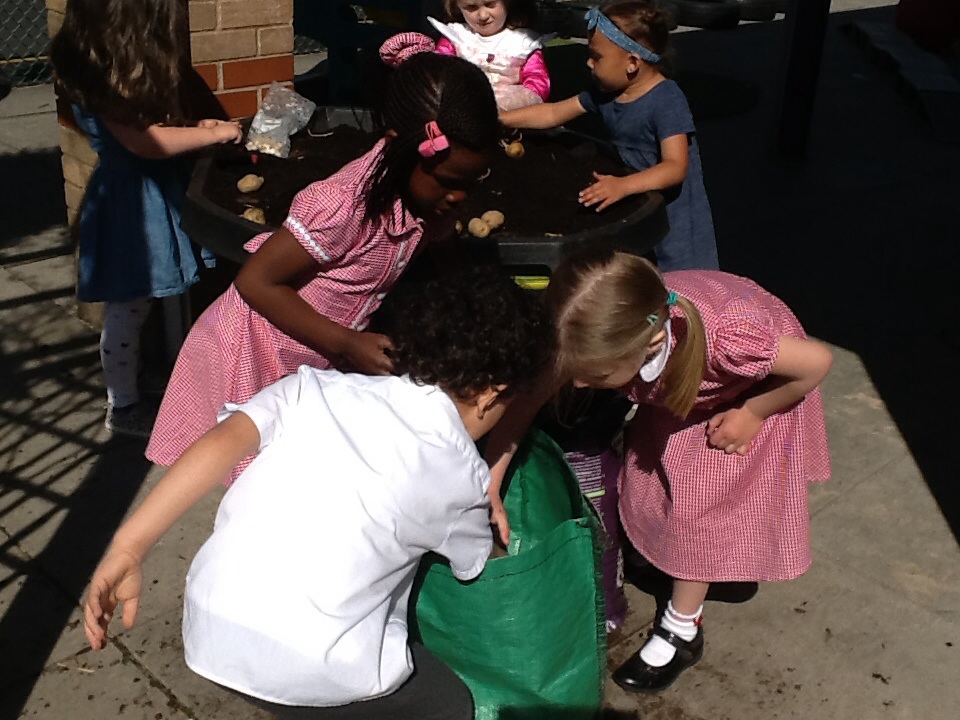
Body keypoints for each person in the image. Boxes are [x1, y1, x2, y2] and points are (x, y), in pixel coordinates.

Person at [83, 265, 555, 719]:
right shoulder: (459, 474)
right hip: (321, 663)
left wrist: (129, 547)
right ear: (494, 394)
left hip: (212, 628)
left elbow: (216, 448)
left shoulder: (313, 388)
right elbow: (477, 564)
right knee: (448, 704)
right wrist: (499, 540)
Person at [485, 247, 831, 693]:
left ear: (649, 345)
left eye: (595, 375)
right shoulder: (612, 327)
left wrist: (754, 412)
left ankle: (682, 628)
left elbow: (817, 362)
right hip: (687, 389)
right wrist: (491, 483)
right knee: (650, 480)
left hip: (752, 392)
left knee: (696, 511)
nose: (577, 385)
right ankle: (670, 561)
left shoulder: (730, 339)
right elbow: (528, 400)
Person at [146, 47, 500, 478]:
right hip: (259, 347)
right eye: (449, 182)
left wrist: (474, 305)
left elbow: (444, 251)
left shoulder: (430, 201)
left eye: (472, 182)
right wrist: (346, 344)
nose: (459, 198)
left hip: (315, 351)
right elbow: (255, 282)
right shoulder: (344, 205)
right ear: (396, 147)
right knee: (259, 476)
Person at [49, 0, 243, 437]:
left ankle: (133, 377)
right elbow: (146, 142)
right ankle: (122, 404)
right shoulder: (100, 75)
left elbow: (153, 127)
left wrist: (193, 124)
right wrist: (214, 134)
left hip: (145, 191)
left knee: (142, 302)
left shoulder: (105, 65)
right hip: (130, 203)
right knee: (128, 305)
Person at [500, 1, 718, 272]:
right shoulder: (607, 92)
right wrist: (501, 119)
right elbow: (554, 113)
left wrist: (623, 186)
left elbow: (675, 167)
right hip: (637, 199)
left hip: (674, 217)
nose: (588, 62)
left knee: (680, 281)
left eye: (597, 56)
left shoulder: (667, 100)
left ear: (632, 63)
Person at [429, 0, 550, 111]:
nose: (483, 15)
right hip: (461, 110)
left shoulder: (522, 43)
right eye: (471, 7)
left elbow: (537, 83)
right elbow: (438, 73)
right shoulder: (457, 38)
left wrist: (516, 102)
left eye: (490, 4)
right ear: (457, 7)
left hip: (510, 115)